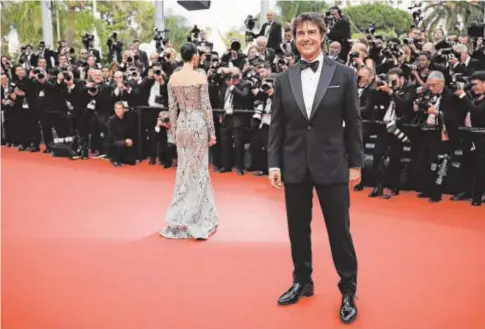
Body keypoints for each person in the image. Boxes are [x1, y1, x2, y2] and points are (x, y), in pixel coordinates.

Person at [267, 12, 363, 324]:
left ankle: (348, 289)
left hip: (333, 163)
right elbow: (277, 128)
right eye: (300, 33)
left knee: (339, 231)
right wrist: (273, 163)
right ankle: (302, 281)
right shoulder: (283, 79)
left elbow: (354, 123)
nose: (306, 38)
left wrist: (356, 163)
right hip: (294, 163)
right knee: (297, 229)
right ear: (293, 39)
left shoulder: (345, 74)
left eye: (311, 32)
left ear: (322, 35)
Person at [159, 42, 218, 240]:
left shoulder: (173, 78)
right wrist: (212, 132)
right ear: (194, 57)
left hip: (183, 124)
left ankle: (181, 215)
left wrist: (174, 131)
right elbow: (207, 107)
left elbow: (171, 107)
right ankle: (196, 217)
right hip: (198, 124)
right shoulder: (200, 77)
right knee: (199, 168)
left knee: (184, 169)